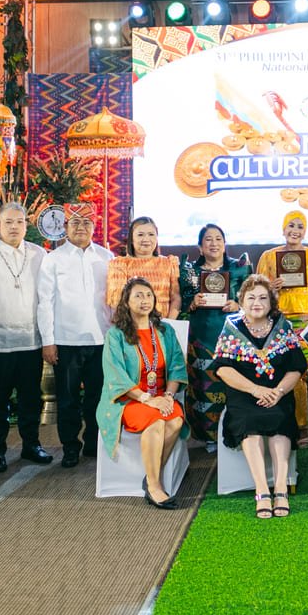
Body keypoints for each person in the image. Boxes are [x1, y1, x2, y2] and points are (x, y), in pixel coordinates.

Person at [213, 275, 308, 518]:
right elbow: (223, 369)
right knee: (250, 422)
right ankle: (262, 490)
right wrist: (255, 390)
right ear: (241, 301)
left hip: (278, 392)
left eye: (263, 298)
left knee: (279, 419)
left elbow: (296, 368)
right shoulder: (231, 327)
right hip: (244, 394)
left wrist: (278, 392)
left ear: (271, 302)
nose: (257, 303)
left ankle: (280, 488)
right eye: (251, 297)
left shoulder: (282, 327)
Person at [0, 202, 53, 473]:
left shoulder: (39, 254)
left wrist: (48, 338)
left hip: (32, 342)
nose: (14, 227)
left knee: (30, 399)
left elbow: (48, 298)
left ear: (26, 225)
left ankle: (31, 445)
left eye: (19, 222)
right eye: (8, 222)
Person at [96, 277, 187, 508]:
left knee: (176, 420)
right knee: (156, 421)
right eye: (137, 296)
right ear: (126, 302)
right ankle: (155, 487)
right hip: (128, 400)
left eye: (148, 295)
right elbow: (115, 375)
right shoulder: (116, 334)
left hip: (161, 397)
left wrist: (168, 396)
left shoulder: (165, 331)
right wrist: (147, 399)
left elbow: (177, 366)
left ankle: (150, 477)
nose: (144, 300)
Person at [37, 204, 114, 468]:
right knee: (68, 399)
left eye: (87, 223)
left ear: (94, 227)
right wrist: (48, 341)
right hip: (66, 340)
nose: (81, 228)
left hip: (102, 339)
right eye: (75, 223)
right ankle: (70, 447)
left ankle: (93, 443)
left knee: (98, 397)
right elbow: (45, 302)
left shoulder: (107, 257)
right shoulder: (53, 259)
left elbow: (115, 299)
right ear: (65, 226)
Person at [256, 211, 308, 444]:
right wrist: (271, 288)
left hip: (304, 322)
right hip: (275, 320)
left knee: (298, 373)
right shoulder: (269, 257)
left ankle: (301, 425)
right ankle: (278, 421)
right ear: (283, 228)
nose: (295, 231)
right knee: (274, 370)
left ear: (305, 231)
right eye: (291, 225)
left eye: (300, 226)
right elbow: (257, 292)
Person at [177, 223, 250, 452]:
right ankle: (209, 438)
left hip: (233, 338)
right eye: (208, 239)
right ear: (200, 247)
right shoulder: (189, 271)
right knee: (203, 387)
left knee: (232, 384)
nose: (214, 243)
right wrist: (192, 302)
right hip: (201, 337)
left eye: (218, 239)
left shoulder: (239, 268)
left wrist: (238, 305)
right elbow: (182, 302)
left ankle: (236, 431)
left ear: (225, 244)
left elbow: (252, 298)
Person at [105, 215, 182, 321]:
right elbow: (117, 302)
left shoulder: (169, 263)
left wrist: (168, 323)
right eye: (140, 235)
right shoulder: (120, 264)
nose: (146, 239)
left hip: (163, 325)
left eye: (151, 234)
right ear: (131, 239)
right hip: (130, 325)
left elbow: (175, 297)